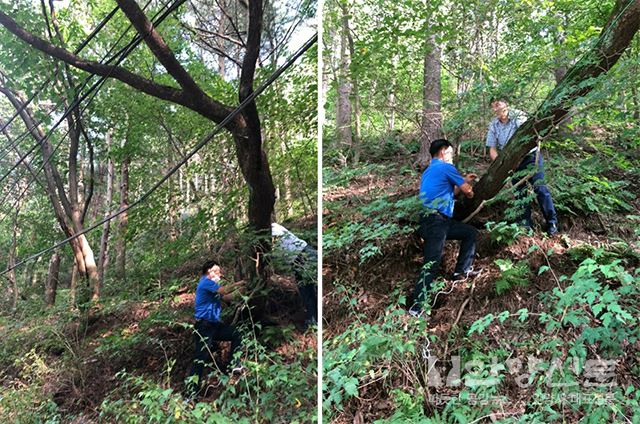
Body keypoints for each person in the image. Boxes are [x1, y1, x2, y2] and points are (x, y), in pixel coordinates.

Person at [410, 139, 479, 317]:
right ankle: (416, 308)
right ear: (442, 151)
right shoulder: (446, 167)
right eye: (450, 151)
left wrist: (462, 181)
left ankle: (461, 271)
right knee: (432, 263)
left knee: (470, 233)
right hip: (436, 222)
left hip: (432, 221)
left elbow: (450, 192)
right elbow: (468, 193)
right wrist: (469, 186)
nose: (451, 155)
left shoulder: (428, 171)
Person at [486, 97, 558, 235]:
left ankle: (551, 222)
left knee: (540, 189)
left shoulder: (518, 116)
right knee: (520, 192)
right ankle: (525, 225)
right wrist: (501, 165)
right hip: (512, 163)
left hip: (530, 158)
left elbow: (530, 136)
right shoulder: (494, 125)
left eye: (499, 104)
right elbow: (492, 148)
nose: (497, 108)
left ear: (506, 104)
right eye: (493, 106)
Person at [186, 260, 245, 399]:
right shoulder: (206, 282)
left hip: (214, 326)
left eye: (219, 271)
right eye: (217, 271)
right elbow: (223, 290)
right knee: (200, 360)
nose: (219, 274)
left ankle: (233, 365)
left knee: (237, 333)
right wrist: (238, 284)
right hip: (204, 327)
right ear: (209, 271)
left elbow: (227, 297)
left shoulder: (213, 287)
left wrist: (243, 290)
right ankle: (190, 394)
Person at [271, 223, 318, 328]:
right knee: (305, 291)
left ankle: (318, 319)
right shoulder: (271, 230)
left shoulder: (273, 228)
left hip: (304, 254)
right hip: (297, 260)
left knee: (313, 287)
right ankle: (313, 320)